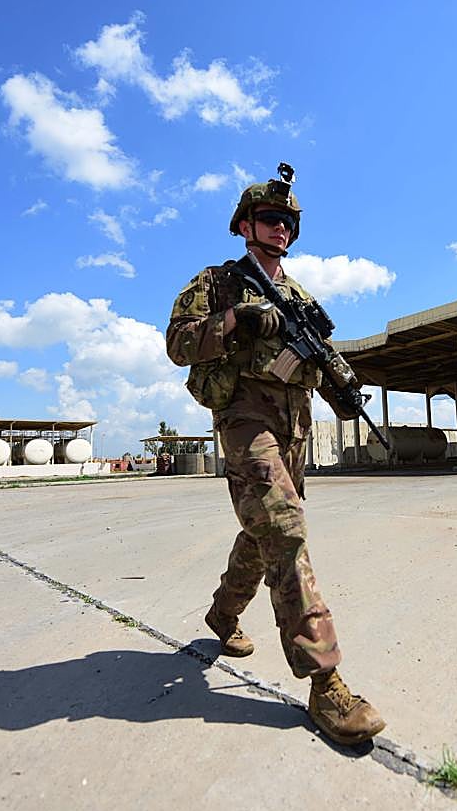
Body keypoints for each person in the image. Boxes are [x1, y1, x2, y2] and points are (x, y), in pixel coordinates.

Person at [165, 165, 385, 746]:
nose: (281, 228)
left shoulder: (299, 297)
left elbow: (320, 355)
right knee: (285, 529)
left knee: (263, 534)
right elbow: (177, 344)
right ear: (243, 225)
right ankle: (326, 682)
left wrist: (341, 383)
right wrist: (235, 319)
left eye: (288, 221)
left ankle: (222, 613)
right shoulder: (216, 282)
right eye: (270, 218)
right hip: (244, 420)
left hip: (294, 428)